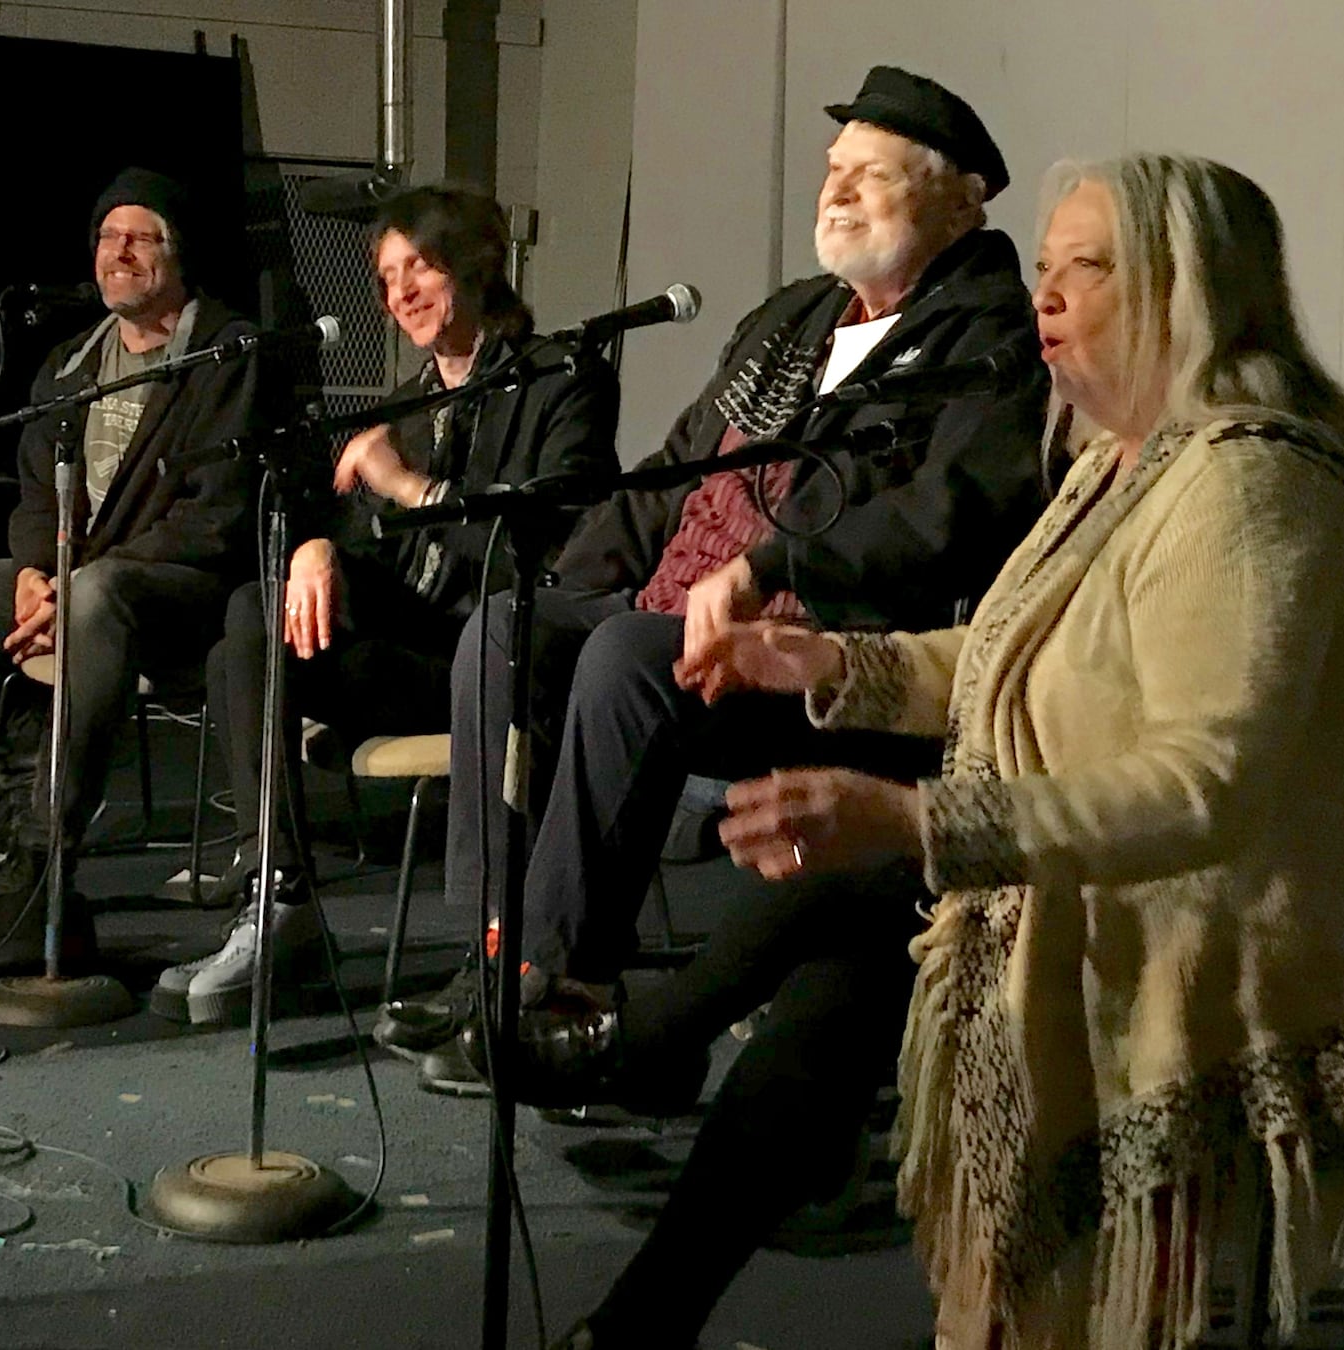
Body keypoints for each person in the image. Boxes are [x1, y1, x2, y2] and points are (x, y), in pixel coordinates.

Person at [529, 152, 1344, 1350]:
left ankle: (638, 1046)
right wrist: (825, 663)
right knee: (837, 984)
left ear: (1191, 289)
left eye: (1090, 268)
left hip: (1243, 919)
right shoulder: (1115, 466)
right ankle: (642, 1295)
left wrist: (922, 823)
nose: (1048, 298)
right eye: (1041, 268)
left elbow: (1206, 789)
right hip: (1125, 862)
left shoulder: (1246, 487)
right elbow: (1001, 660)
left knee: (869, 894)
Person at [391, 65, 1051, 1083]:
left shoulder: (986, 340)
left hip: (826, 652)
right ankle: (497, 957)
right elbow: (674, 473)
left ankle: (571, 989)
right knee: (507, 626)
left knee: (624, 656)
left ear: (959, 199)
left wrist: (771, 563)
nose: (835, 191)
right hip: (675, 614)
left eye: (869, 175)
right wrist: (572, 574)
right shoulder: (793, 318)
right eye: (834, 171)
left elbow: (945, 517)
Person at [150, 185, 620, 1024]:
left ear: (477, 266)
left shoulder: (561, 379)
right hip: (406, 653)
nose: (400, 292)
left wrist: (408, 486)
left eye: (421, 267)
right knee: (248, 630)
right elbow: (370, 546)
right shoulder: (406, 403)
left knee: (255, 635)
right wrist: (318, 548)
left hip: (494, 656)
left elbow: (548, 551)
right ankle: (279, 898)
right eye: (387, 275)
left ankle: (434, 937)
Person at [0, 167, 271, 965]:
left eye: (141, 237)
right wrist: (35, 573)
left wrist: (70, 588)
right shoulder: (68, 365)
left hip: (180, 594)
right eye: (108, 237)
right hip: (69, 578)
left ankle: (47, 847)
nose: (119, 252)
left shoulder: (226, 353)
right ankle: (26, 753)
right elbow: (36, 490)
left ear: (179, 256)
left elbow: (217, 516)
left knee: (98, 594)